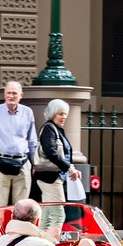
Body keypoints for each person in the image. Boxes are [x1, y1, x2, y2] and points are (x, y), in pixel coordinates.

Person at [0, 81, 37, 209]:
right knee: (0, 207)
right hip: (0, 163)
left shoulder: (27, 112)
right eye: (8, 93)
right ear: (4, 94)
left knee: (22, 208)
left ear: (20, 95)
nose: (11, 96)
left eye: (14, 93)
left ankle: (18, 230)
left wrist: (34, 163)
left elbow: (32, 139)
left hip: (23, 163)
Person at [34, 98, 82, 232]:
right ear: (53, 113)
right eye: (60, 113)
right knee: (58, 215)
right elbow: (51, 152)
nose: (64, 117)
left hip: (53, 177)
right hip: (49, 178)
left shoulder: (56, 129)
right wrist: (69, 168)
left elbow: (61, 154)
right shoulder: (49, 128)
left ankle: (41, 243)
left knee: (47, 215)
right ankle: (52, 244)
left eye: (65, 114)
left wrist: (69, 168)